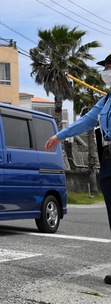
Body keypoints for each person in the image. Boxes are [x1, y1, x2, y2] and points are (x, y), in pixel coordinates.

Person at [45, 53, 111, 285]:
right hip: (108, 158)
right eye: (106, 67)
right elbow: (87, 121)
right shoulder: (106, 100)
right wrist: (59, 136)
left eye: (110, 67)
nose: (107, 71)